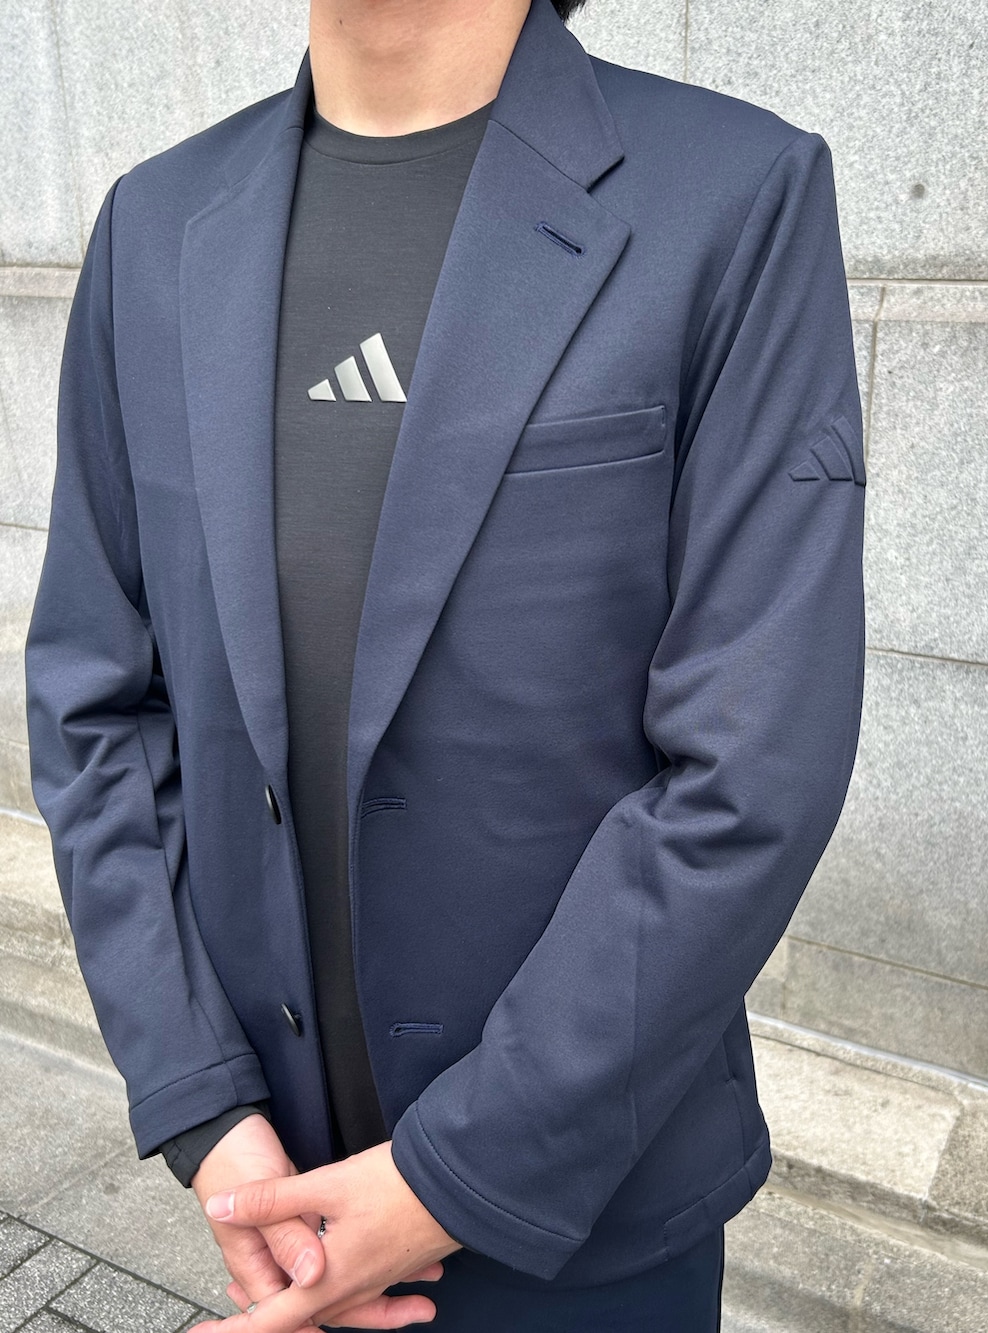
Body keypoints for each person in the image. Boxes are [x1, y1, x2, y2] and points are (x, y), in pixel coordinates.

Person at [24, 0, 866, 1327]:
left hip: (587, 1222)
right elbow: (95, 700)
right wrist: (205, 1108)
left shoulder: (732, 193)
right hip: (275, 1194)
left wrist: (452, 1176)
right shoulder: (156, 225)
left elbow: (755, 762)